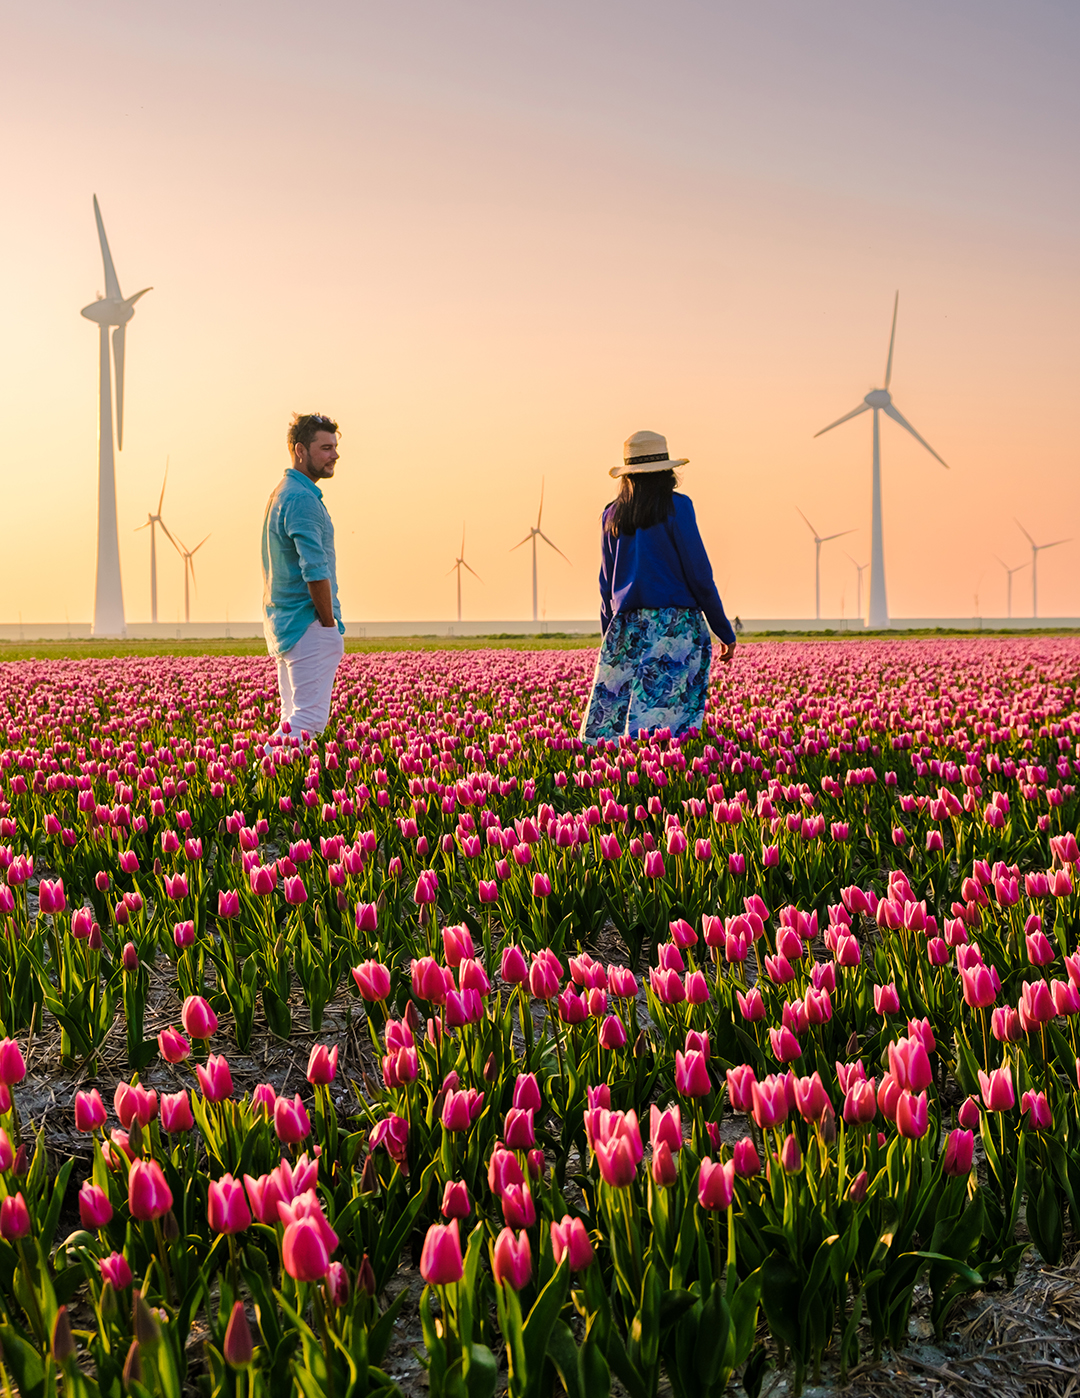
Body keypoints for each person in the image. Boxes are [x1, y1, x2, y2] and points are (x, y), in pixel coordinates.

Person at [580, 430, 736, 744]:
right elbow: (699, 575)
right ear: (666, 471)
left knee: (615, 727)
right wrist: (724, 630)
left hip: (626, 628)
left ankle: (621, 787)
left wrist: (610, 640)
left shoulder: (612, 514)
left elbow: (605, 587)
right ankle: (656, 788)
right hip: (674, 628)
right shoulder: (678, 507)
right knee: (665, 721)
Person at [261, 412, 346, 738]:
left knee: (292, 719)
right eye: (325, 447)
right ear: (300, 450)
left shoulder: (283, 494)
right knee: (307, 722)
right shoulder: (300, 499)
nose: (334, 455)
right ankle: (254, 788)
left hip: (286, 625)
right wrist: (328, 625)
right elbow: (314, 568)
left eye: (335, 447)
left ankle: (279, 788)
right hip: (307, 624)